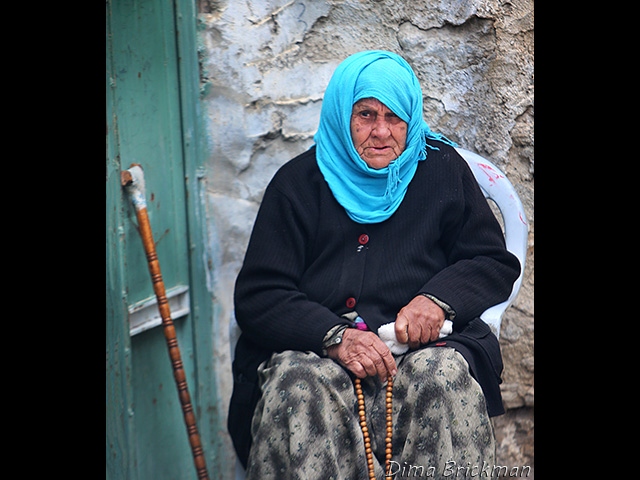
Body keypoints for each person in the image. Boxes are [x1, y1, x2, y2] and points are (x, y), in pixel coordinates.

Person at [228, 50, 521, 479]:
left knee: (441, 376)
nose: (381, 131)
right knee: (298, 383)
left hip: (422, 352)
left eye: (395, 117)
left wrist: (436, 301)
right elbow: (259, 295)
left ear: (411, 120)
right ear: (341, 116)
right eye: (365, 114)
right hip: (320, 357)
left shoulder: (441, 171)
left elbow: (492, 261)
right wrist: (332, 337)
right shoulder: (297, 185)